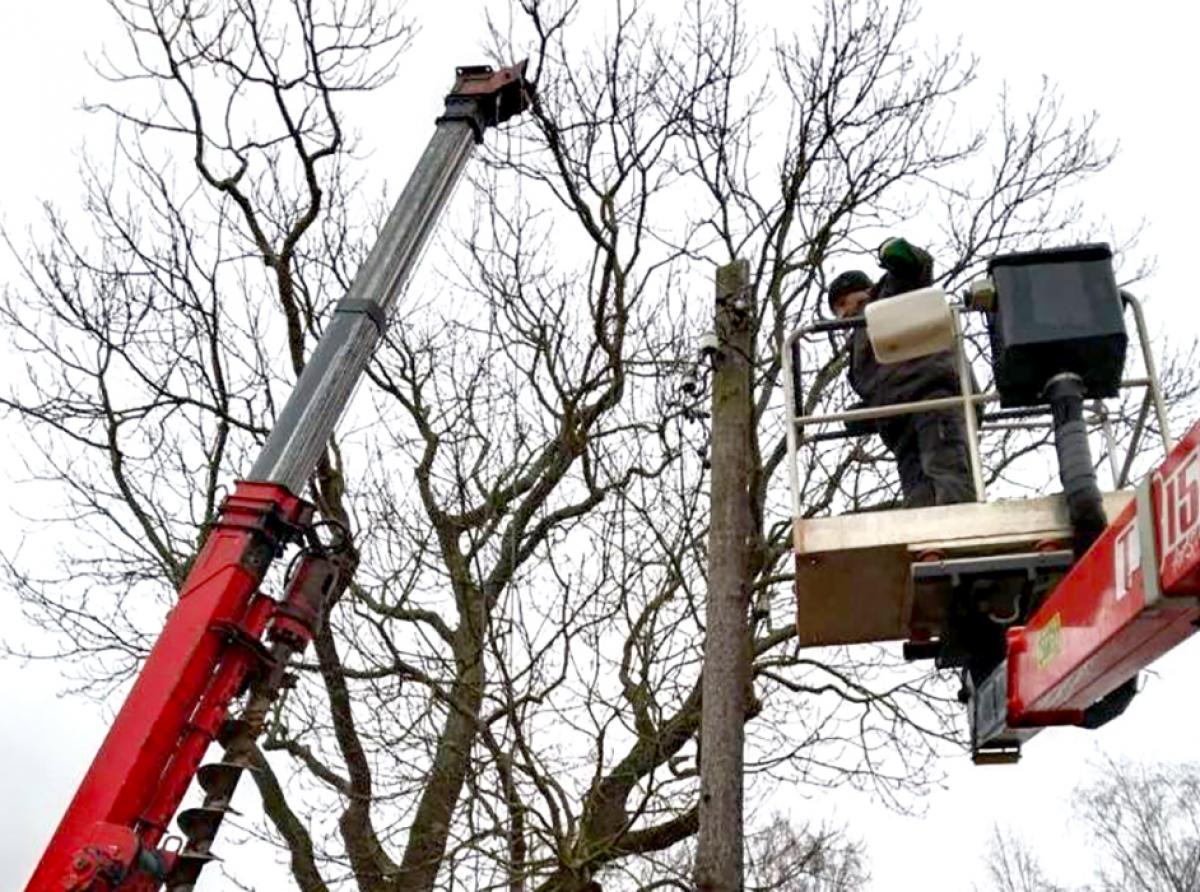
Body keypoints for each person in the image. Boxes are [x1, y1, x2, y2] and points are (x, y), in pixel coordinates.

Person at [827, 238, 976, 508]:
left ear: (856, 293)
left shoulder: (887, 298)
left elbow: (916, 271)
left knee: (946, 473)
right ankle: (930, 543)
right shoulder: (860, 344)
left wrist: (899, 255)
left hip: (930, 400)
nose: (841, 315)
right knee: (918, 494)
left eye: (840, 304)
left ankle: (958, 534)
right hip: (898, 422)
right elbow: (886, 380)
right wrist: (865, 414)